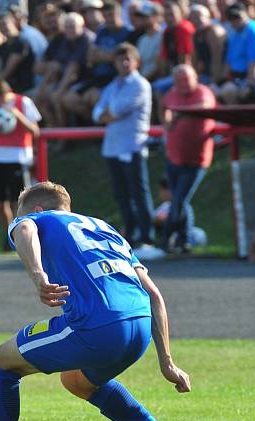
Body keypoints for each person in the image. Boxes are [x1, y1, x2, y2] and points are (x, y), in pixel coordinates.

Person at [0, 181, 195, 421]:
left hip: (97, 326)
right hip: (139, 326)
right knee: (77, 382)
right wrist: (167, 361)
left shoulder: (35, 219)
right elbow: (153, 294)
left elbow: (25, 229)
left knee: (2, 361)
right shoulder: (106, 230)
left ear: (38, 209)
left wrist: (38, 275)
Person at [92, 43, 164, 260]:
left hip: (132, 146)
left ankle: (147, 236)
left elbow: (117, 110)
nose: (124, 63)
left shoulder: (141, 85)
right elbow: (97, 113)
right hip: (112, 147)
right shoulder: (113, 85)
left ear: (136, 62)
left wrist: (107, 114)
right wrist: (105, 114)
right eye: (120, 59)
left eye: (128, 59)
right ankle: (130, 235)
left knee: (139, 193)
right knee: (121, 194)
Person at [160, 64, 216, 253]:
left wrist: (179, 113)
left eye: (185, 79)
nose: (182, 84)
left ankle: (166, 239)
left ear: (195, 78)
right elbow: (164, 107)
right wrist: (168, 120)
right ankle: (184, 242)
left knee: (179, 200)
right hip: (173, 157)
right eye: (178, 80)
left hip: (196, 160)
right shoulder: (172, 94)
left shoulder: (203, 92)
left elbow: (205, 107)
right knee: (179, 202)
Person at [0, 79, 41, 250]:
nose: (0, 102)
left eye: (2, 97)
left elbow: (35, 131)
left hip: (20, 156)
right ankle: (9, 235)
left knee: (19, 200)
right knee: (0, 202)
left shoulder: (24, 102)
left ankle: (22, 235)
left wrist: (17, 115)